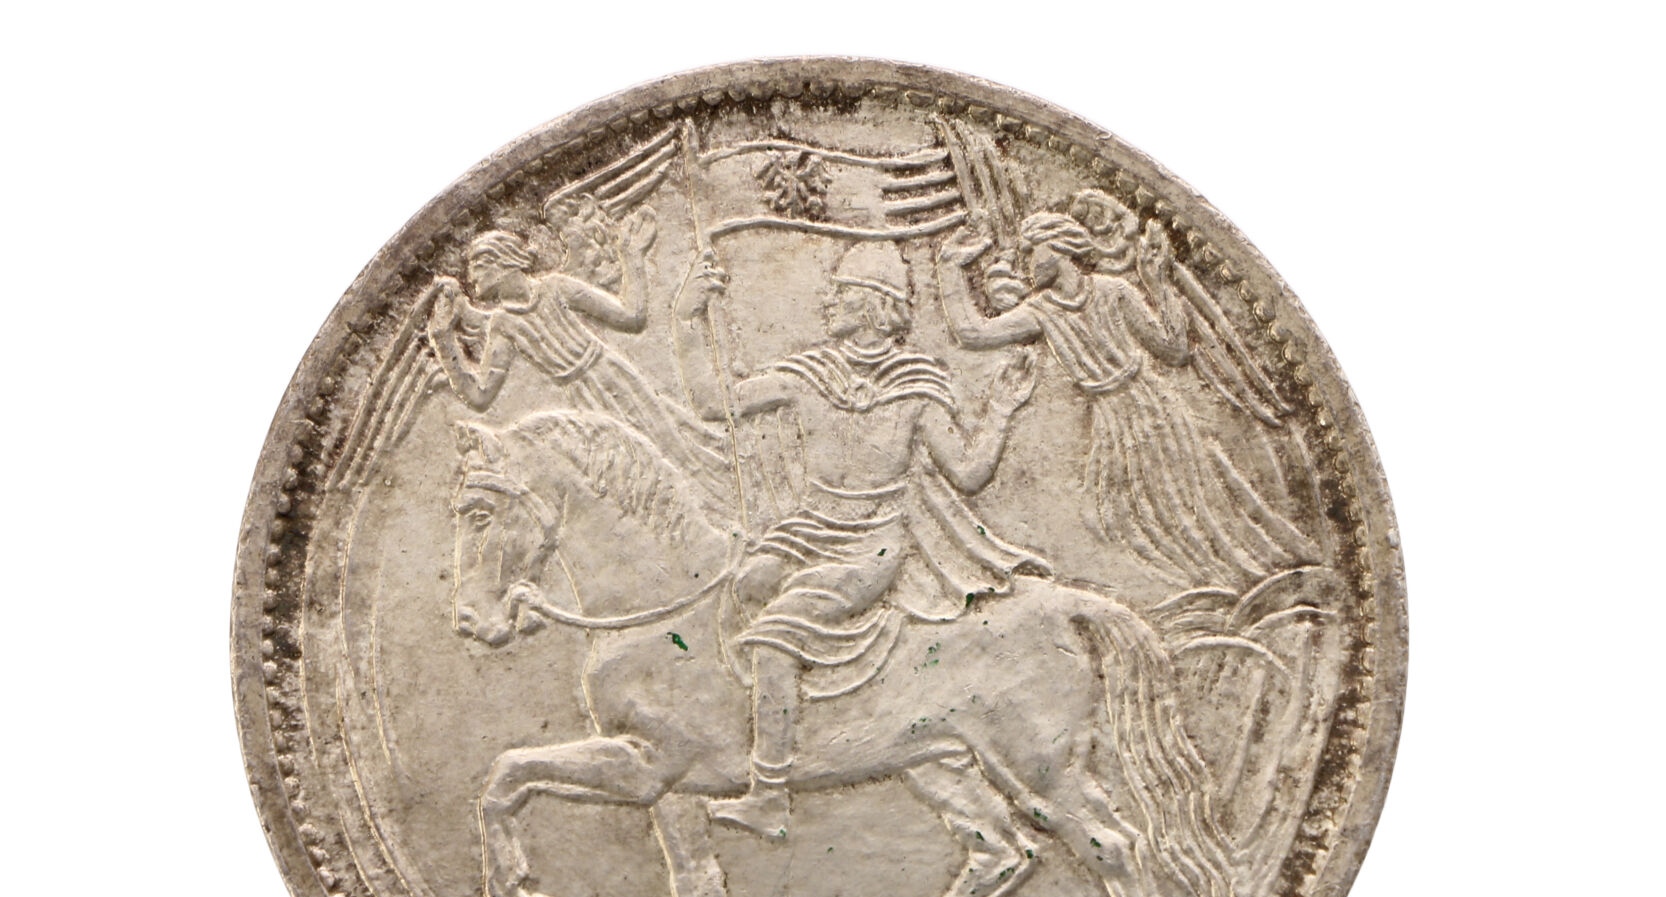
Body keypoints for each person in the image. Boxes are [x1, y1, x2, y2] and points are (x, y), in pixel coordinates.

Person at [674, 240, 1041, 839]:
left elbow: (969, 473)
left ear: (873, 305)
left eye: (842, 295)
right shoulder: (809, 372)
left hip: (872, 541)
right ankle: (799, 720)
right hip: (806, 529)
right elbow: (717, 404)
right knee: (748, 586)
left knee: (774, 639)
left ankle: (769, 794)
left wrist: (1000, 409)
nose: (829, 302)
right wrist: (687, 316)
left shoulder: (917, 384)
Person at [935, 205, 1311, 594]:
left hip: (1153, 406)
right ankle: (1193, 586)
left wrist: (1158, 284)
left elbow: (1175, 349)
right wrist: (949, 267)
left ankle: (1233, 580)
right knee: (1111, 516)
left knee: (1188, 500)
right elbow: (972, 333)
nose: (1026, 262)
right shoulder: (1041, 311)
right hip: (1111, 419)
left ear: (1058, 246)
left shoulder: (1114, 291)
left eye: (1031, 251)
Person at [426, 215, 732, 513]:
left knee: (675, 451)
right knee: (628, 480)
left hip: (616, 381)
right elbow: (479, 397)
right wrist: (443, 339)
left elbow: (632, 316)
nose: (471, 278)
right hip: (585, 405)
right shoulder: (503, 325)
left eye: (477, 267)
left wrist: (632, 256)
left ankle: (721, 510)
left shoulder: (555, 287)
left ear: (502, 262)